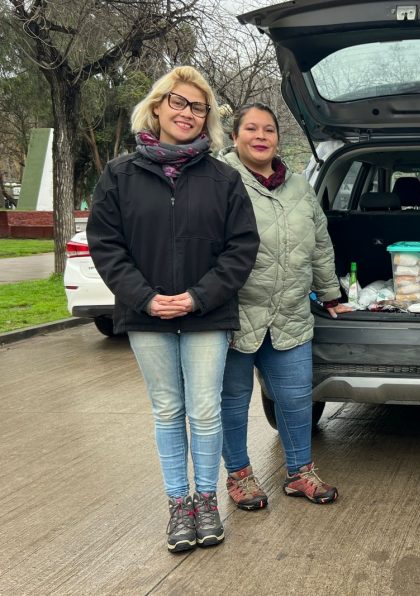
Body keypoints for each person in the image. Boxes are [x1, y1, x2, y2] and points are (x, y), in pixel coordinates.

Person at [87, 66, 260, 553]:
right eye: (178, 103)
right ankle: (178, 506)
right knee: (167, 411)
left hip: (207, 313)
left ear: (208, 119)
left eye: (198, 107)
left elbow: (241, 248)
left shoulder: (224, 178)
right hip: (146, 315)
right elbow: (107, 244)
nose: (187, 113)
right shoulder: (120, 174)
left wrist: (198, 296)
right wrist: (144, 296)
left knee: (204, 412)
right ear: (158, 106)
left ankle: (207, 500)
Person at [218, 104, 349, 511]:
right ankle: (239, 476)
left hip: (291, 312)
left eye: (269, 130)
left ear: (277, 137)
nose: (261, 136)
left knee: (295, 400)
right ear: (235, 135)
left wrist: (330, 294)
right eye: (251, 129)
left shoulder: (298, 185)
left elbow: (320, 242)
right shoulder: (219, 180)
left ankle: (299, 474)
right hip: (236, 315)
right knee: (233, 401)